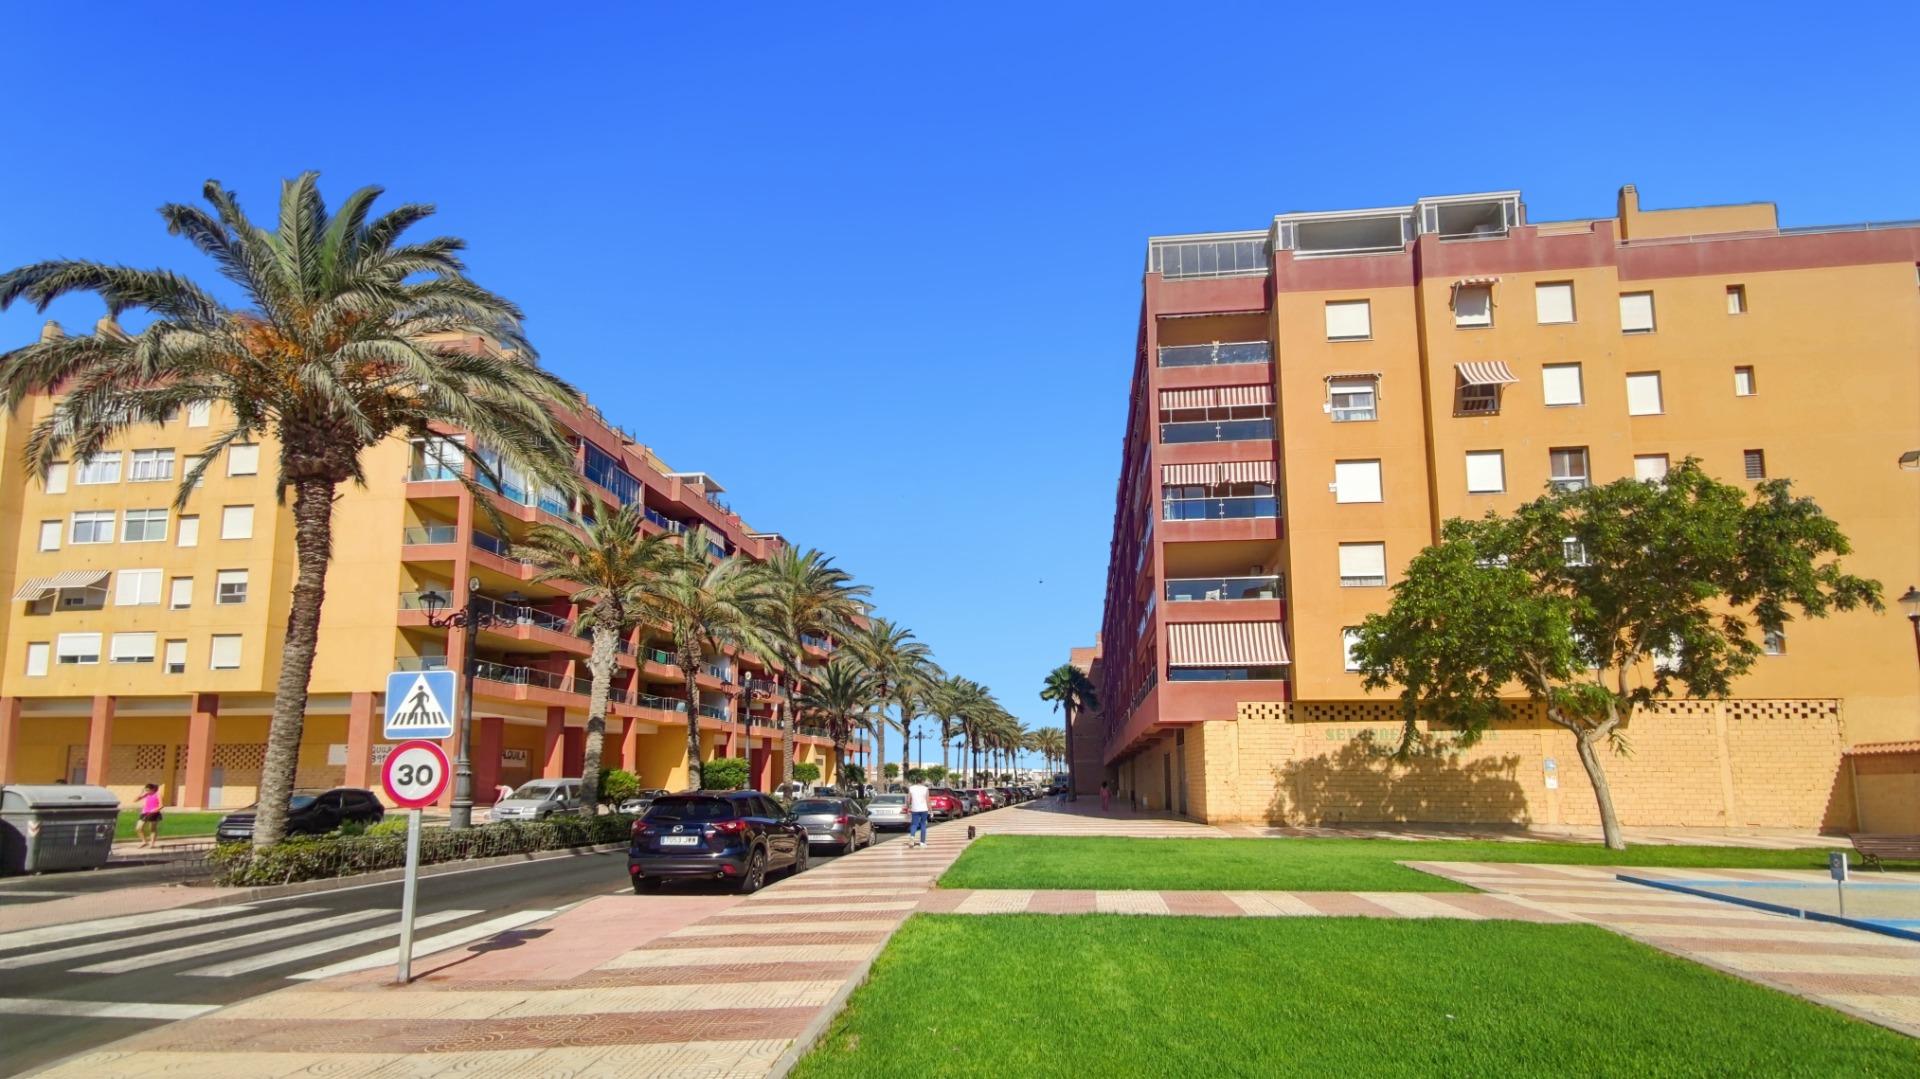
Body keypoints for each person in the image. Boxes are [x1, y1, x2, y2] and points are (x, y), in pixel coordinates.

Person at [134, 783, 163, 848]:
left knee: (152, 829)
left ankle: (152, 844)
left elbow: (161, 805)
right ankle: (144, 841)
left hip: (154, 813)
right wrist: (141, 794)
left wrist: (155, 810)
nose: (147, 791)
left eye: (148, 790)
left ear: (153, 789)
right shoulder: (146, 794)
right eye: (146, 790)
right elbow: (135, 800)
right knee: (138, 828)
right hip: (145, 813)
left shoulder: (158, 795)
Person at [906, 777, 931, 848]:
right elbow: (927, 800)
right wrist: (931, 810)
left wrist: (908, 807)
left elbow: (908, 800)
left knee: (914, 824)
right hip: (924, 809)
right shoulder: (925, 789)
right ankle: (922, 843)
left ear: (915, 781)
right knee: (923, 824)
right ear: (922, 781)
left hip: (914, 809)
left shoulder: (911, 788)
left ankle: (912, 837)